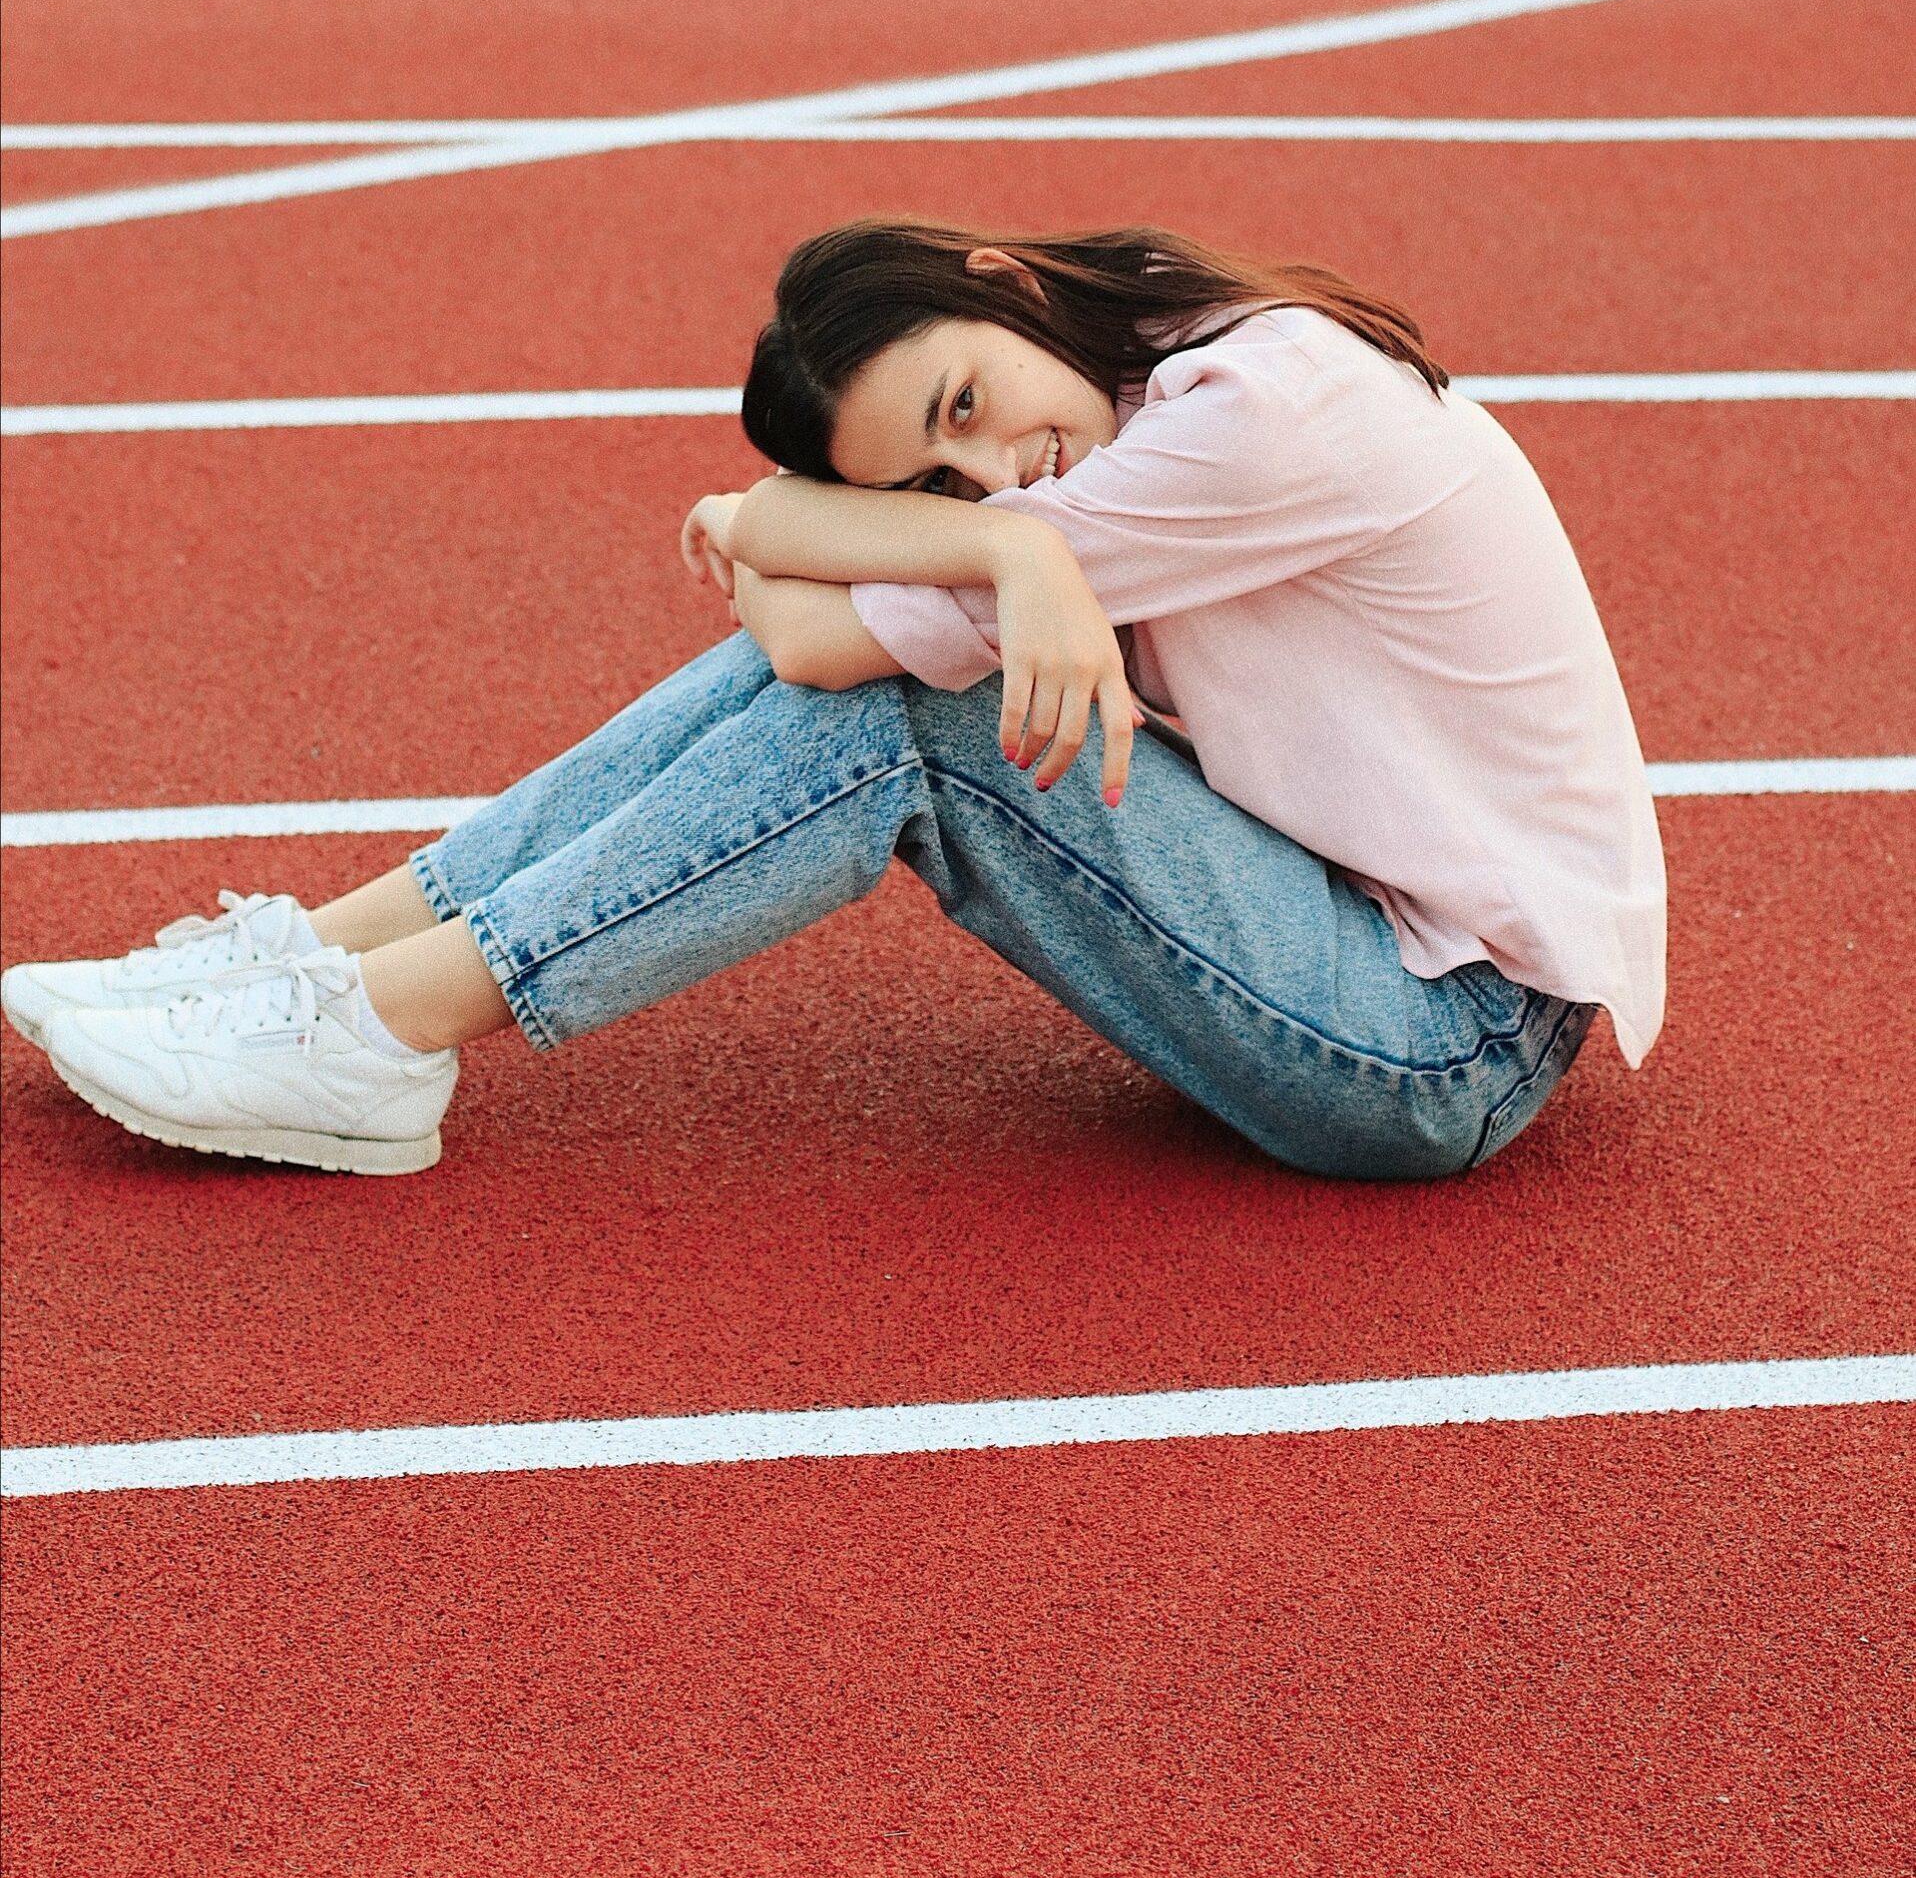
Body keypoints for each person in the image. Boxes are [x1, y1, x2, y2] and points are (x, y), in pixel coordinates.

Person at [2, 219, 1665, 1182]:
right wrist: (1002, 558)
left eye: (966, 404)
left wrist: (965, 552)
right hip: (1343, 940)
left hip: (1443, 1040)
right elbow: (785, 571)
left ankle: (381, 1036)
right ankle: (327, 955)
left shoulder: (1256, 413)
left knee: (909, 715)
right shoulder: (1128, 379)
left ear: (1001, 277)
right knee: (885, 666)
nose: (994, 472)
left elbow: (812, 633)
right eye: (940, 481)